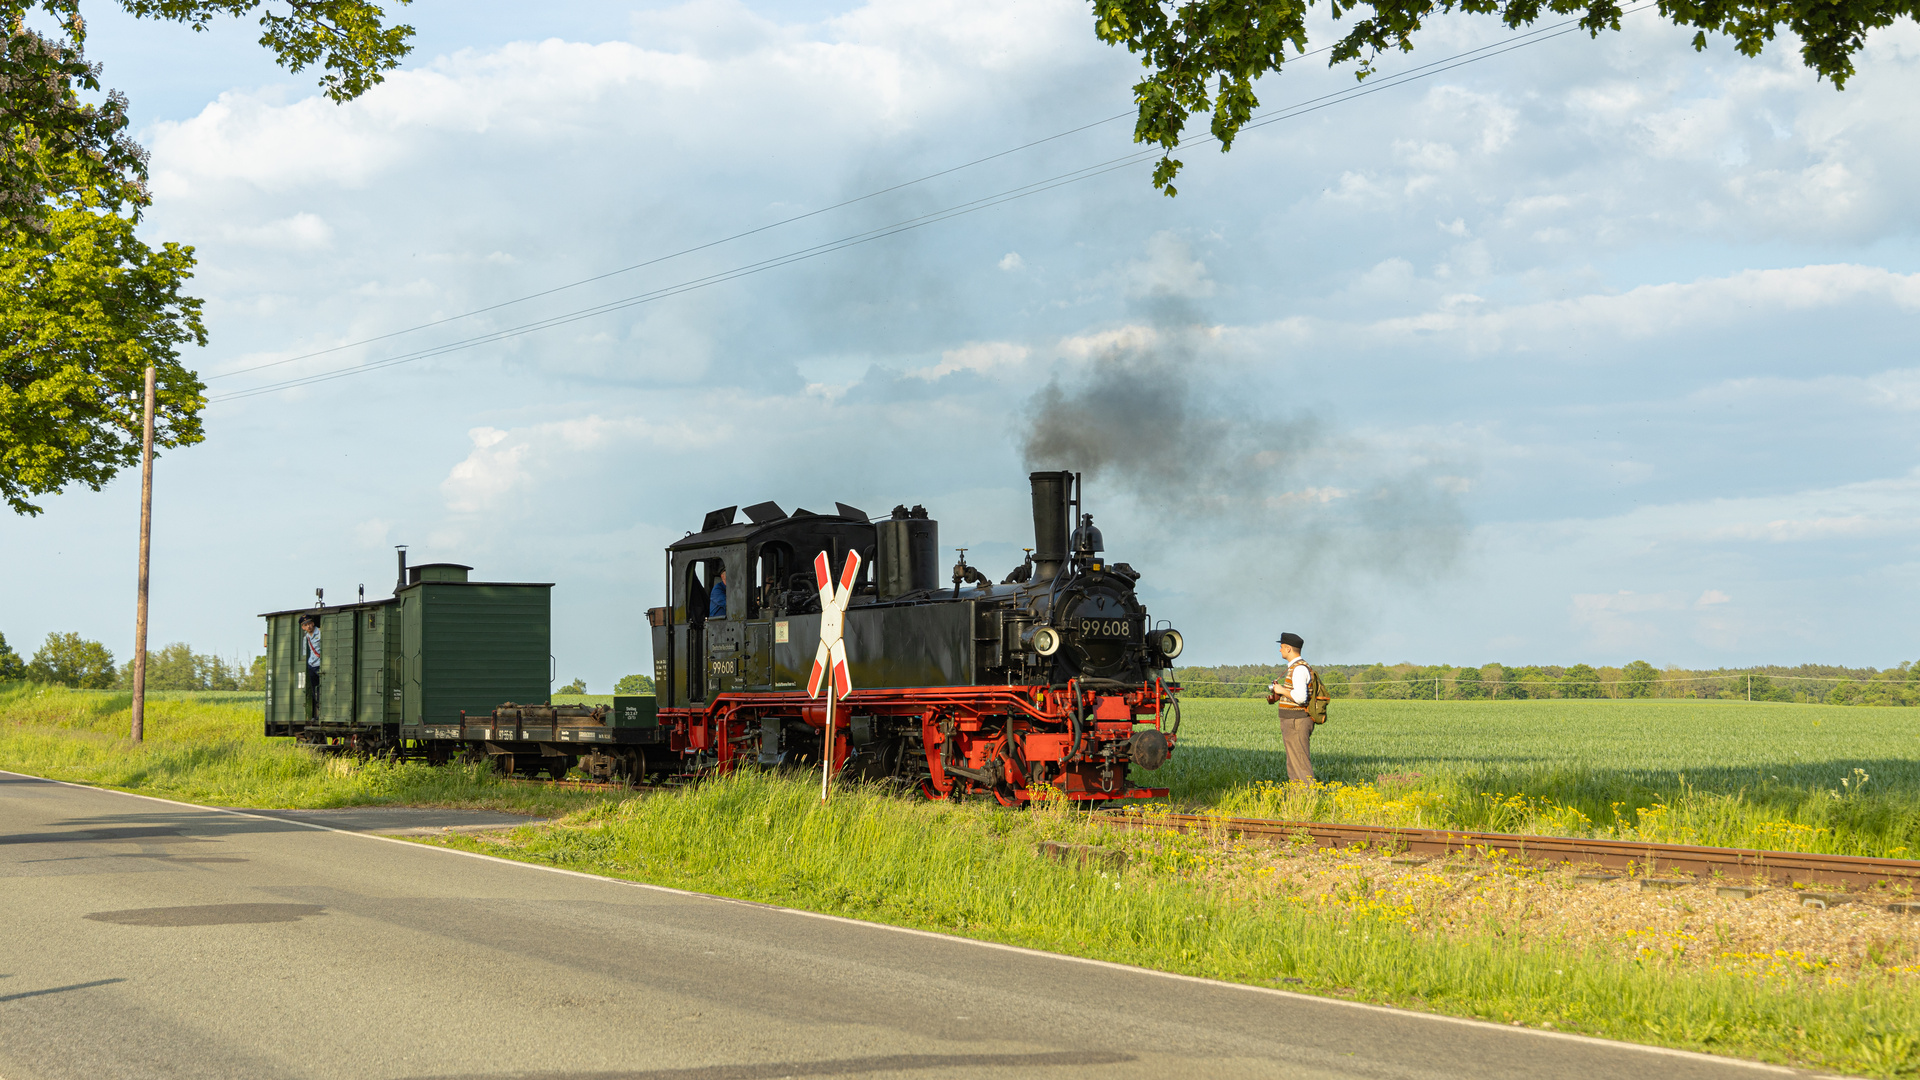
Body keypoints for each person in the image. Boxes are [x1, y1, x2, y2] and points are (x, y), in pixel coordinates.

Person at [1267, 632, 1314, 784]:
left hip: (1296, 721)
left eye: (1281, 647)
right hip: (1293, 721)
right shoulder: (1295, 668)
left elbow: (1301, 697)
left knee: (1300, 763)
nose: (1279, 650)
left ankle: (1308, 799)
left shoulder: (1299, 669)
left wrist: (1281, 691)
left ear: (1288, 649)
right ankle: (1298, 800)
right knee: (1294, 763)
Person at [301, 615, 322, 720]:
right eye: (305, 625)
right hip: (311, 665)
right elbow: (305, 652)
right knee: (315, 691)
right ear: (303, 627)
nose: (308, 626)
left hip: (321, 665)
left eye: (309, 623)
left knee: (322, 689)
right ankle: (317, 714)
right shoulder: (306, 638)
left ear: (313, 623)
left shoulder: (321, 633)